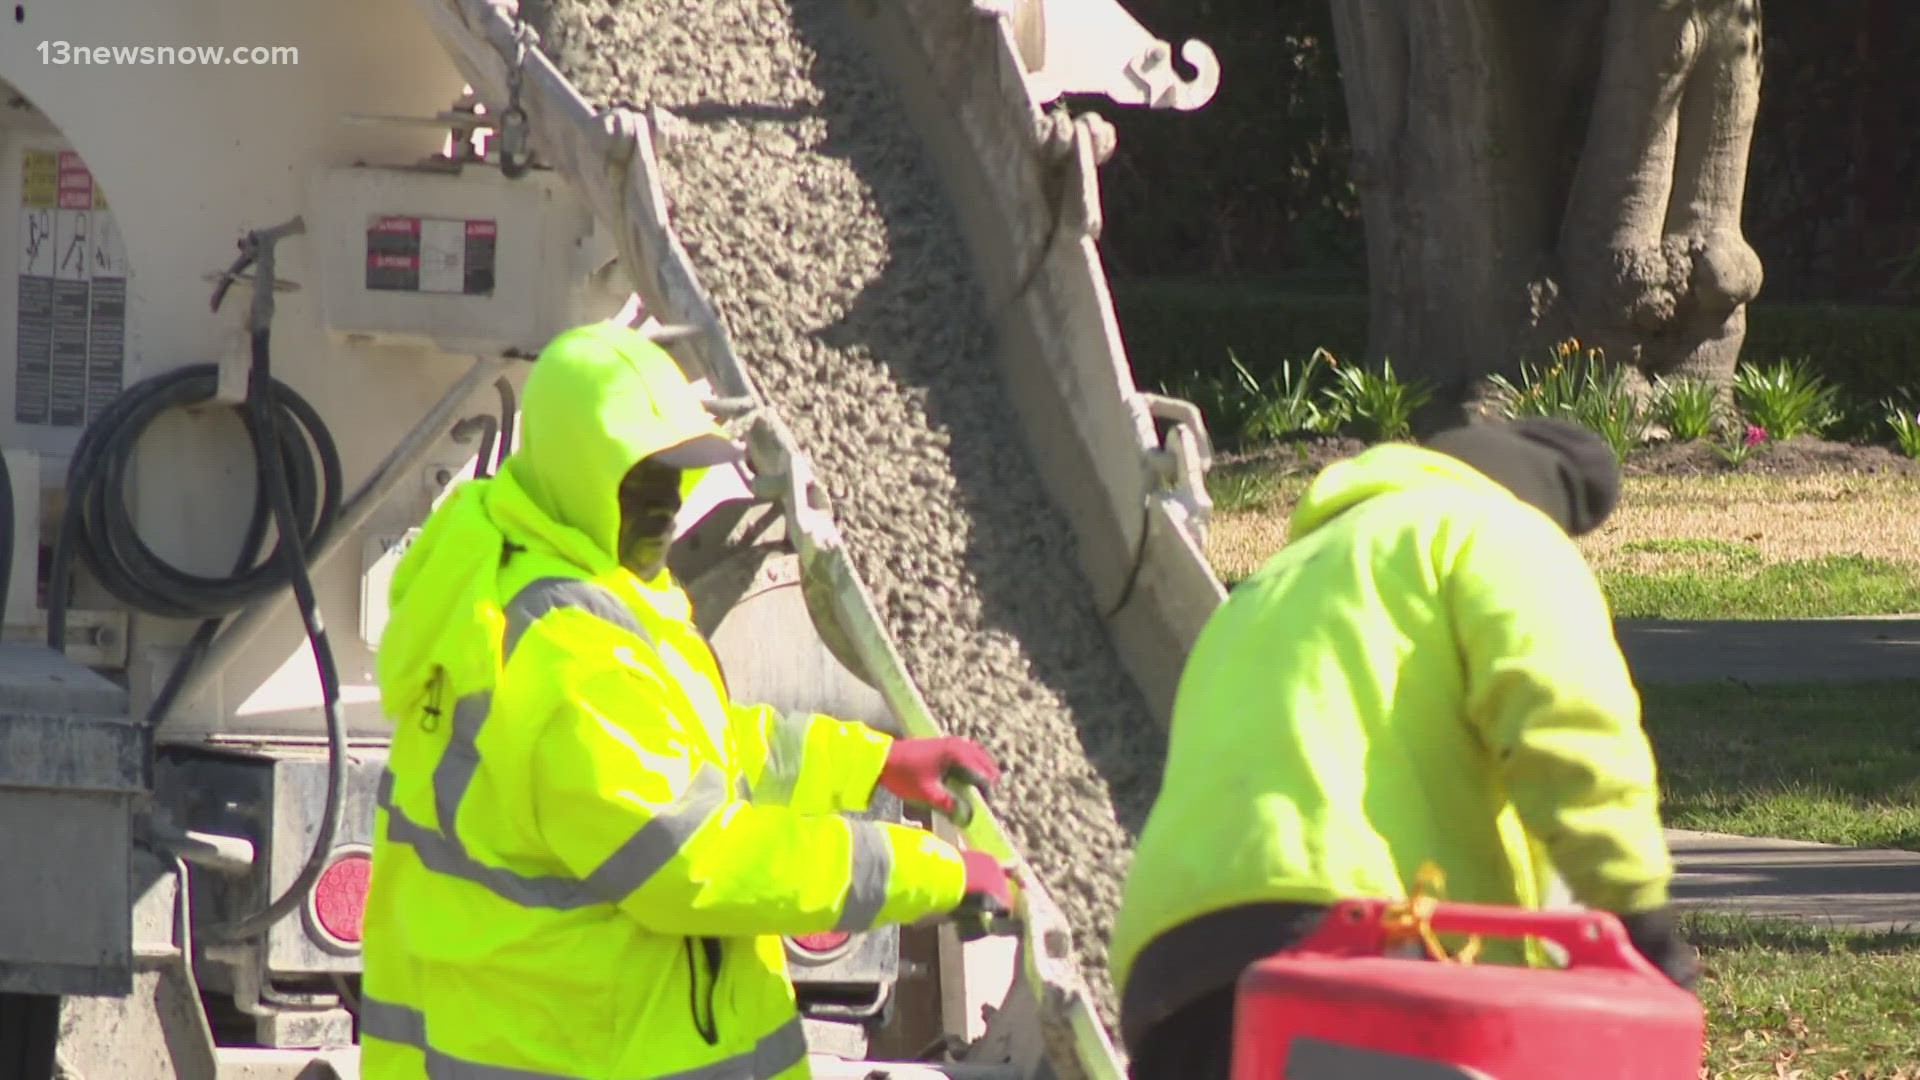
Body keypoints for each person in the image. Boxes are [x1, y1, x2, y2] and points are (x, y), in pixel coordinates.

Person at [360, 321, 1014, 1080]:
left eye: (677, 474)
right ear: (583, 473)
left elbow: (699, 749)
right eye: (642, 478)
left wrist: (876, 764)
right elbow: (696, 862)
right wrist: (930, 872)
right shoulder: (571, 659)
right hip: (583, 1053)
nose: (667, 503)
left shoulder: (555, 575)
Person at [1107, 418, 1699, 1080]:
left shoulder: (1268, 585)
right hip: (1363, 948)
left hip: (1172, 971)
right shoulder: (1493, 531)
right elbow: (1570, 727)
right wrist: (1637, 916)